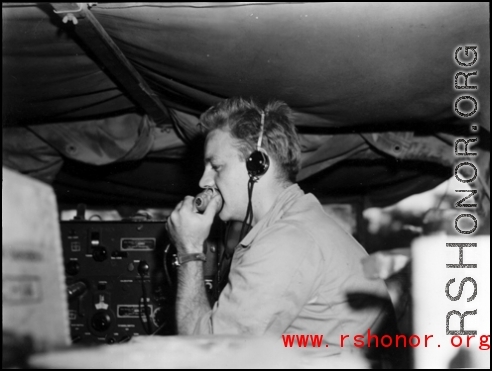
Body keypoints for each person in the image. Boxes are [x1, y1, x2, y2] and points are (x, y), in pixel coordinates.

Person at [165, 97, 397, 361]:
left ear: (257, 164)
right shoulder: (299, 224)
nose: (204, 181)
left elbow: (206, 358)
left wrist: (189, 249)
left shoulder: (286, 241)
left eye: (216, 167)